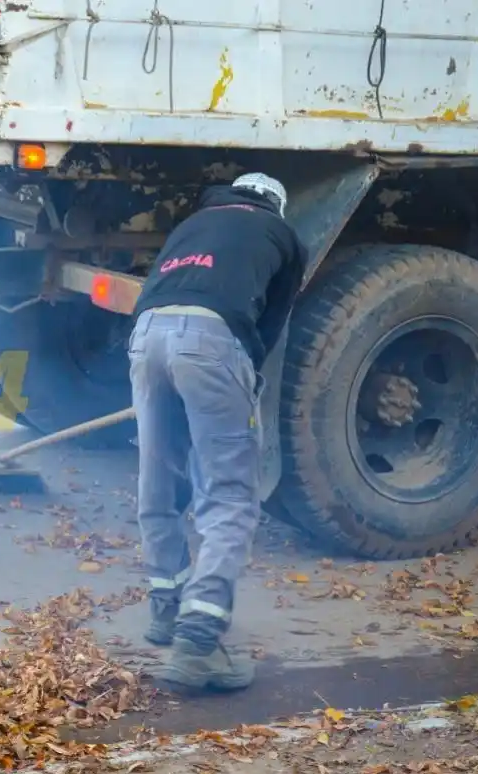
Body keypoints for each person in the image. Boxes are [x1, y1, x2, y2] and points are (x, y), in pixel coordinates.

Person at [127, 173, 308, 693]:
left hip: (146, 336)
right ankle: (199, 642)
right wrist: (243, 382)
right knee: (229, 497)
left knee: (157, 477)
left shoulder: (194, 222)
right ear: (276, 206)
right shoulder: (283, 238)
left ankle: (166, 609)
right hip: (212, 342)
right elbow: (270, 325)